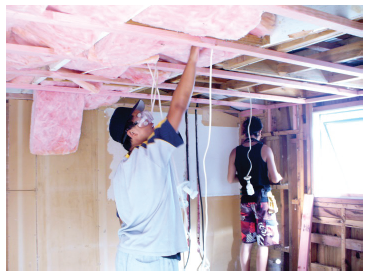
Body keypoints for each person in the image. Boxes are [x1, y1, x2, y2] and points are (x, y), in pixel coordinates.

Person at [108, 46, 199, 271]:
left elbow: (122, 215)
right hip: (151, 259)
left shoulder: (122, 168)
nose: (149, 119)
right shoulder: (151, 153)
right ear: (132, 132)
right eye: (141, 117)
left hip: (132, 256)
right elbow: (178, 106)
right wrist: (194, 56)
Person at [227, 116, 282, 271]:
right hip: (262, 200)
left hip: (245, 201)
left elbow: (230, 179)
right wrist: (279, 177)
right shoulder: (265, 149)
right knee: (263, 243)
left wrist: (245, 179)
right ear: (259, 132)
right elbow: (275, 178)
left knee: (247, 241)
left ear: (244, 131)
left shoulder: (235, 152)